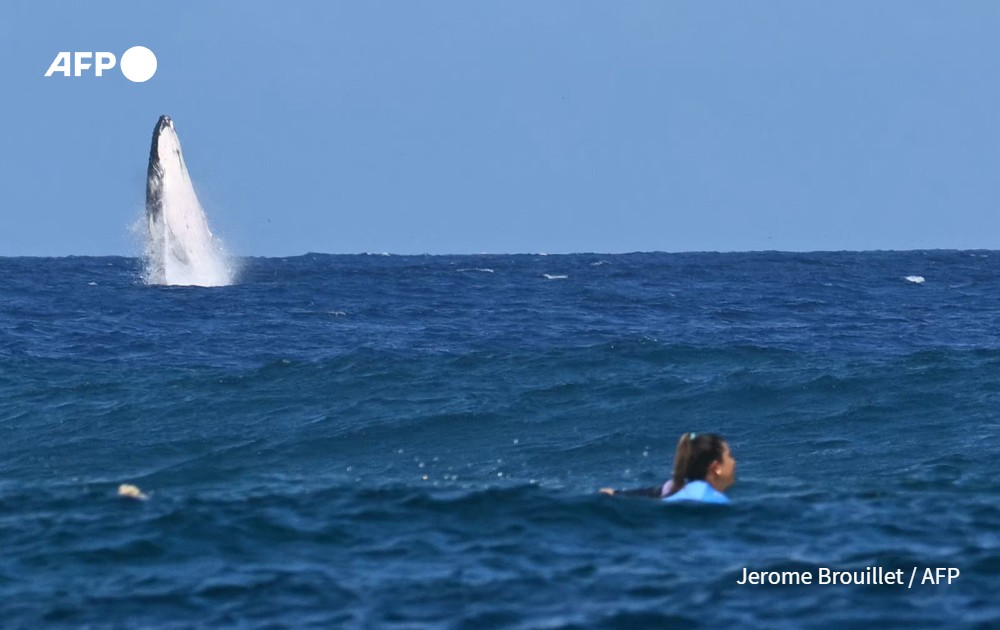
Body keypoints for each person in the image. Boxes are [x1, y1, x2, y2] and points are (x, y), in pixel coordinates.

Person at [600, 432, 736, 504]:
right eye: (730, 456)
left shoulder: (672, 488)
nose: (734, 462)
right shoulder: (713, 499)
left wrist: (616, 494)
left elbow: (611, 493)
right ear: (716, 467)